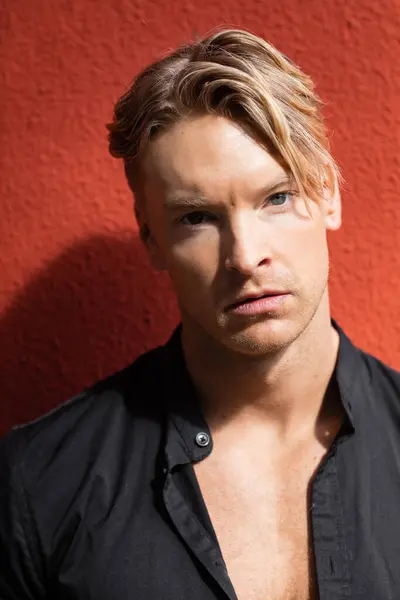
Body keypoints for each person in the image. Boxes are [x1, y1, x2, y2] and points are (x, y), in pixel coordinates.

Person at [1, 27, 399, 600]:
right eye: (196, 218)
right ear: (152, 242)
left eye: (276, 197)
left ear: (329, 194)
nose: (244, 256)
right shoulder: (40, 484)